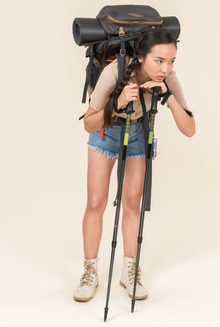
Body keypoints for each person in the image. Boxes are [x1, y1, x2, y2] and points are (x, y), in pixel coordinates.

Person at [74, 28, 195, 302]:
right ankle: (89, 269)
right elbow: (88, 123)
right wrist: (117, 103)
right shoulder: (115, 71)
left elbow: (189, 128)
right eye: (159, 60)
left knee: (131, 202)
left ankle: (129, 268)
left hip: (138, 130)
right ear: (141, 57)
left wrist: (168, 96)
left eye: (172, 60)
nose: (166, 67)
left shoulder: (167, 78)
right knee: (96, 202)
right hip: (105, 130)